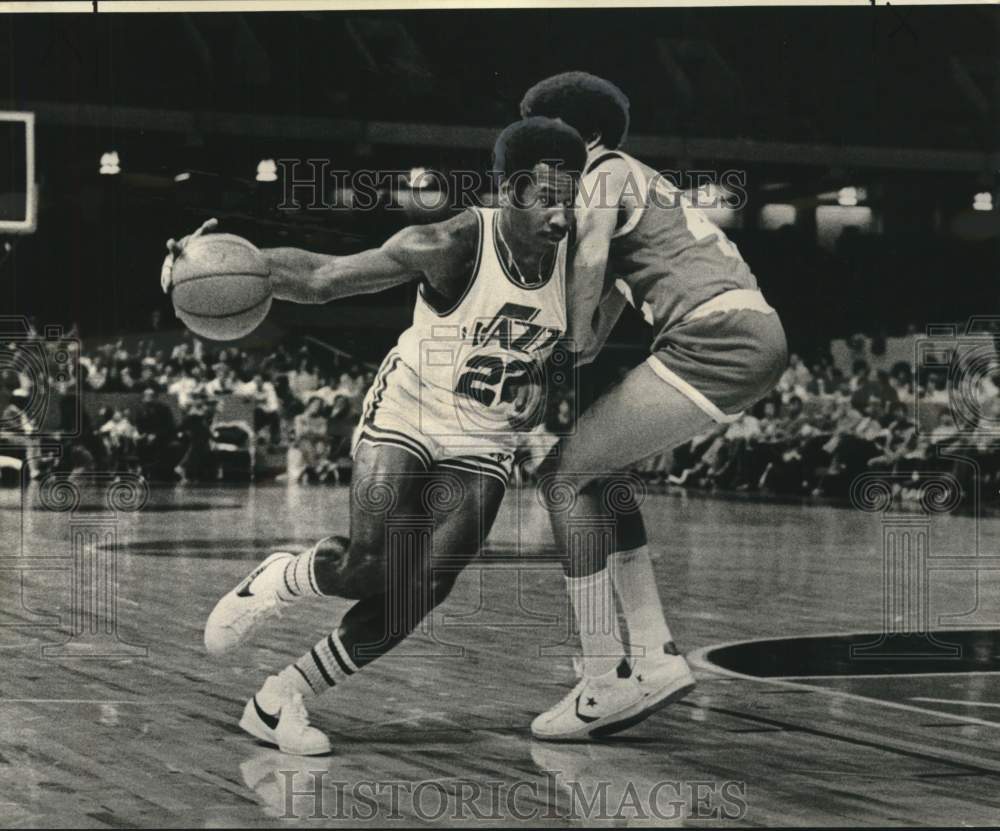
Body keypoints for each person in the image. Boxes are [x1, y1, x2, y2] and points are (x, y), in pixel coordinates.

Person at [160, 117, 586, 755]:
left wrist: (543, 384)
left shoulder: (581, 259)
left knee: (426, 584)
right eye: (549, 197)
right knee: (369, 566)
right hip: (411, 410)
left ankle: (282, 699)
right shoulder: (449, 243)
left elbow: (557, 340)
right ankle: (286, 576)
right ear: (513, 191)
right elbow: (322, 277)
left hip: (485, 434)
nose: (563, 214)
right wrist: (214, 266)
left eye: (571, 198)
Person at [519, 72, 788, 739]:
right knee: (596, 474)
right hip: (746, 332)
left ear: (588, 136)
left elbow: (584, 277)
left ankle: (605, 676)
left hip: (715, 337)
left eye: (548, 140)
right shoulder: (637, 182)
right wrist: (559, 355)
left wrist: (565, 342)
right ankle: (654, 655)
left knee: (560, 477)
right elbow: (600, 315)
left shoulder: (602, 172)